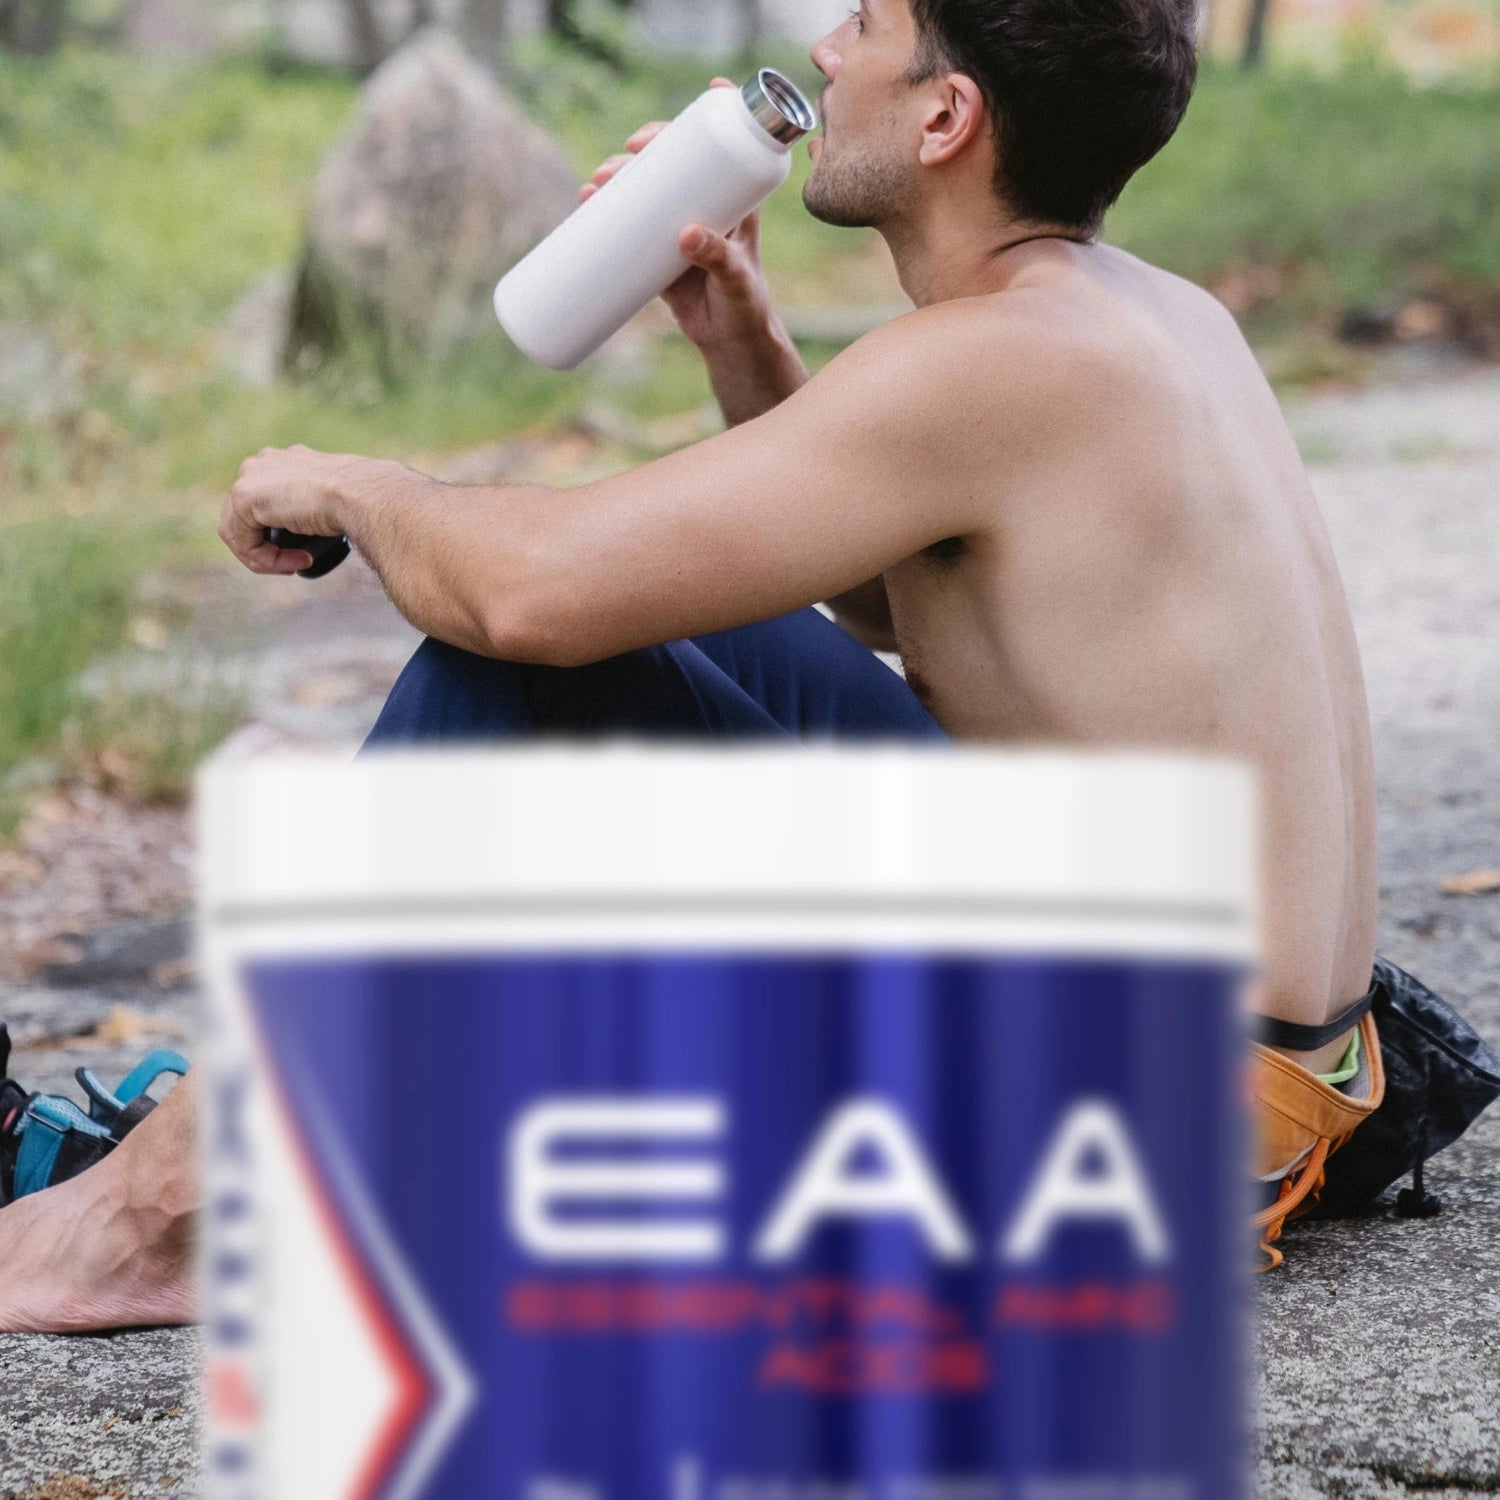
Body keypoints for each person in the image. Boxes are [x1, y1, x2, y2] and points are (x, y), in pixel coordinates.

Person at [0, 0, 1395, 1330]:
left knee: (525, 662)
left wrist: (355, 485)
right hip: (1268, 1065)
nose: (821, 50)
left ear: (944, 116)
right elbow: (942, 610)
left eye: (865, 28)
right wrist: (745, 342)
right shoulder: (1145, 318)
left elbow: (530, 597)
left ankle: (166, 1207)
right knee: (677, 609)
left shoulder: (1001, 361)